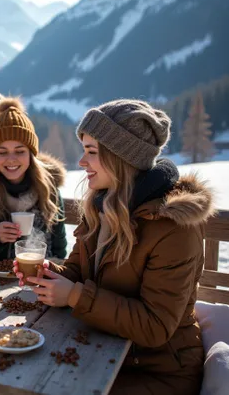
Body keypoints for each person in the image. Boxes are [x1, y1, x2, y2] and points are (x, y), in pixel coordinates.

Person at [16, 99, 215, 395]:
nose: (82, 162)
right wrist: (49, 276)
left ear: (122, 158)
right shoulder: (102, 204)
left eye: (91, 152)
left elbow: (155, 326)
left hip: (155, 370)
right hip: (102, 348)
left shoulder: (173, 227)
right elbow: (77, 270)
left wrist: (74, 295)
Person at [0, 94, 67, 264]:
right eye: (2, 152)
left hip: (36, 283)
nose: (11, 159)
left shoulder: (48, 192)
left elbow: (59, 253)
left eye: (20, 151)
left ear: (31, 154)